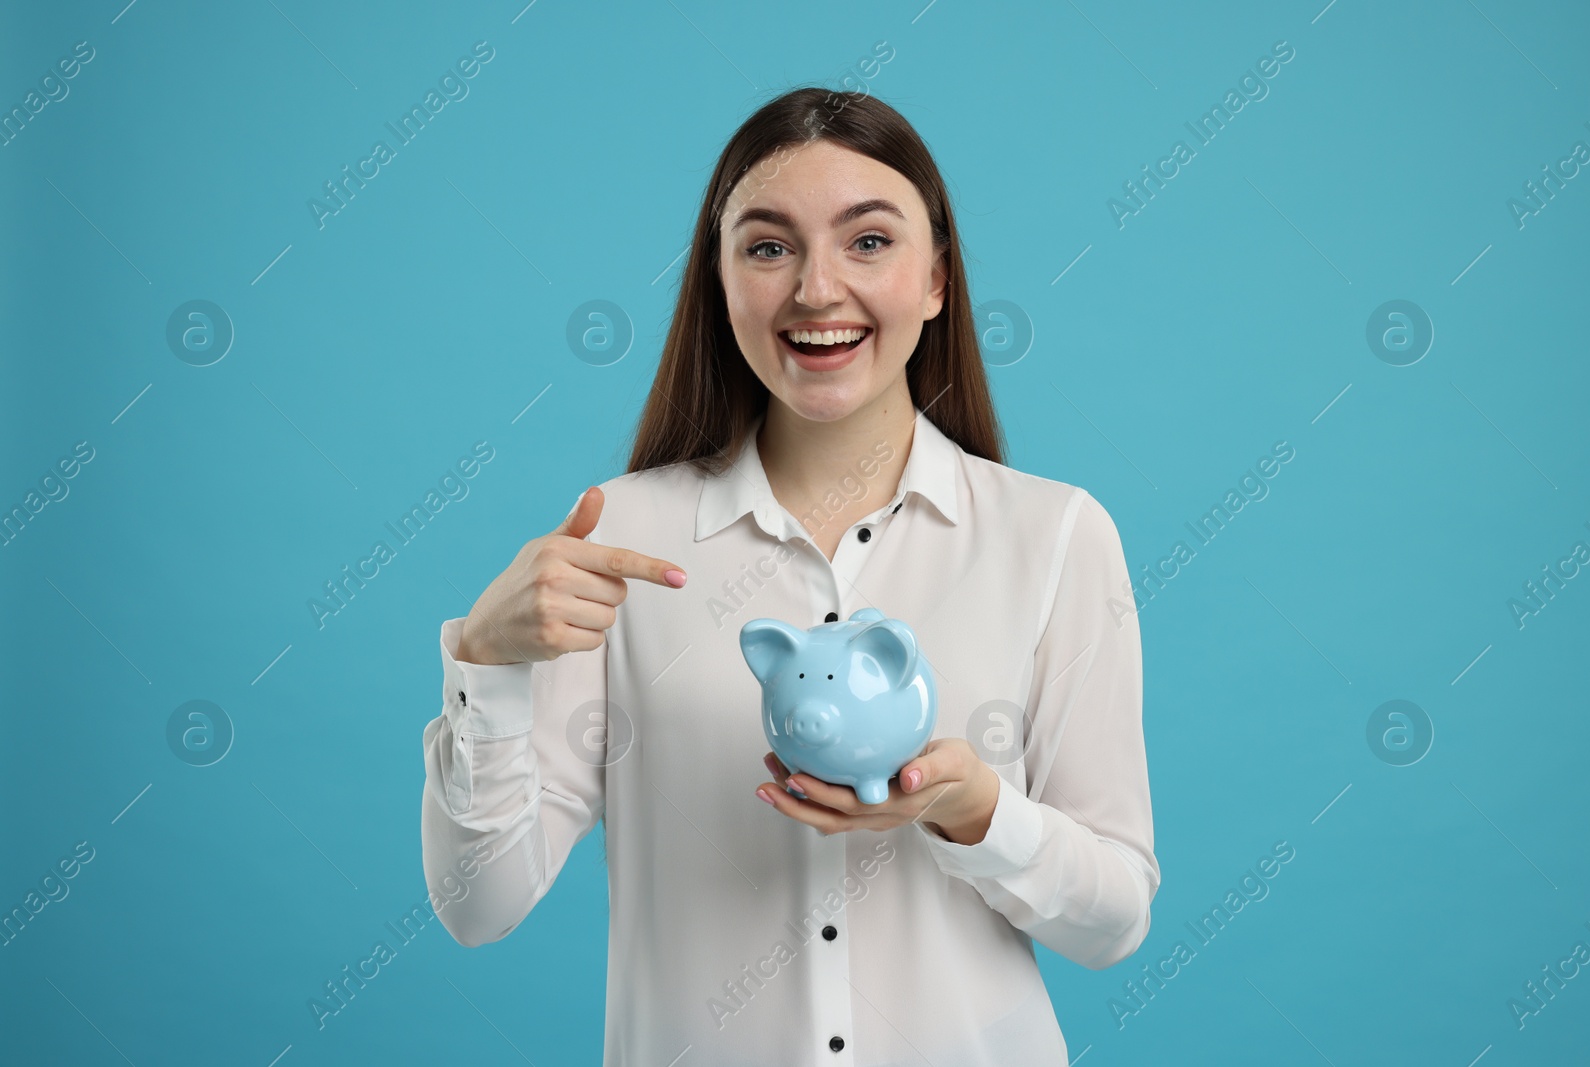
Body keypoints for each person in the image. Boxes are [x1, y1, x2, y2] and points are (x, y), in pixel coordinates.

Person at [420, 85, 1158, 1066]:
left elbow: (1112, 923)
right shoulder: (623, 536)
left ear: (936, 277)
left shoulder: (1054, 534)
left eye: (868, 241)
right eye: (767, 246)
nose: (815, 290)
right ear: (719, 283)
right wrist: (488, 662)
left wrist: (974, 810)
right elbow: (480, 905)